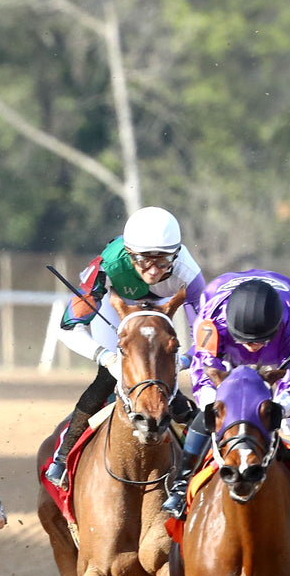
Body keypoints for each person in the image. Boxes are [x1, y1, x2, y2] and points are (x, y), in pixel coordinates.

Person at [161, 272, 290, 542]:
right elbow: (203, 375)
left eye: (259, 341)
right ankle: (181, 486)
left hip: (280, 355)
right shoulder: (210, 318)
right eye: (246, 341)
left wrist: (279, 408)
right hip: (226, 353)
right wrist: (216, 405)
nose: (252, 347)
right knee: (209, 412)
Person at [44, 206, 205, 487]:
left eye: (164, 260)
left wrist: (186, 361)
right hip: (115, 302)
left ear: (176, 255)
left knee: (164, 379)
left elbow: (204, 334)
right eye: (144, 260)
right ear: (129, 254)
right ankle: (63, 455)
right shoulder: (107, 266)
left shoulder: (189, 274)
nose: (154, 270)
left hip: (163, 307)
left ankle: (202, 455)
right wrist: (106, 357)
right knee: (110, 378)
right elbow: (68, 328)